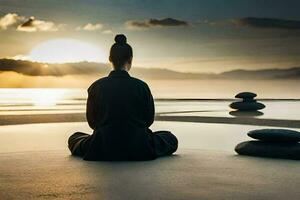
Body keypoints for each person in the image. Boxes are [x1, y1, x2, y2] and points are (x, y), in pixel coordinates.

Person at [68, 34, 178, 161]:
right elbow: (148, 121)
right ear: (130, 59)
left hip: (102, 145)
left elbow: (92, 123)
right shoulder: (141, 86)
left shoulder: (96, 87)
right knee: (170, 138)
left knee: (74, 137)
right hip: (139, 145)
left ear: (110, 59)